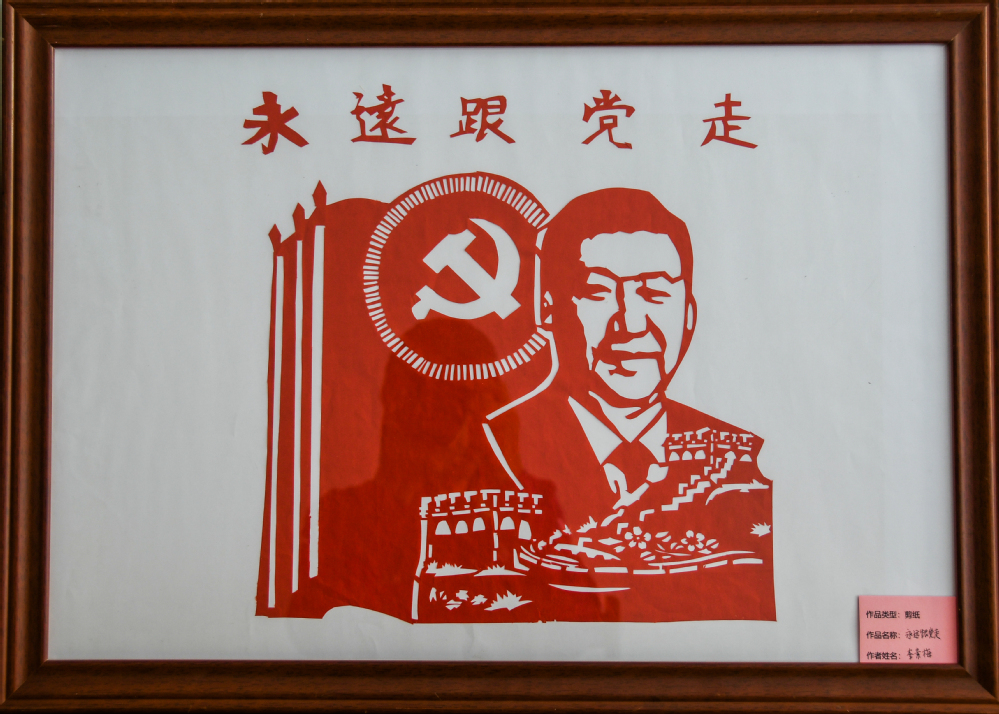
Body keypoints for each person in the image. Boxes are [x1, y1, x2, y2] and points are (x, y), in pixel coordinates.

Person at [417, 188, 775, 623]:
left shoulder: (736, 458)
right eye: (598, 292)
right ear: (547, 309)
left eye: (655, 293)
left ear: (688, 316)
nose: (631, 323)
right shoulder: (486, 446)